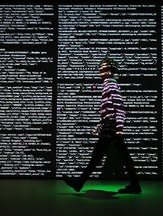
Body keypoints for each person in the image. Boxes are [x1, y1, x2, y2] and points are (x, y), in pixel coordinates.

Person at [62, 58, 142, 194]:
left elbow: (120, 108)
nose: (101, 71)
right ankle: (135, 184)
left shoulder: (110, 84)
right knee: (123, 156)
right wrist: (99, 127)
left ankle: (79, 183)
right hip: (110, 125)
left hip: (111, 127)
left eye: (103, 69)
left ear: (109, 71)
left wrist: (119, 129)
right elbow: (109, 111)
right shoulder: (108, 84)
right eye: (101, 69)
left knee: (97, 156)